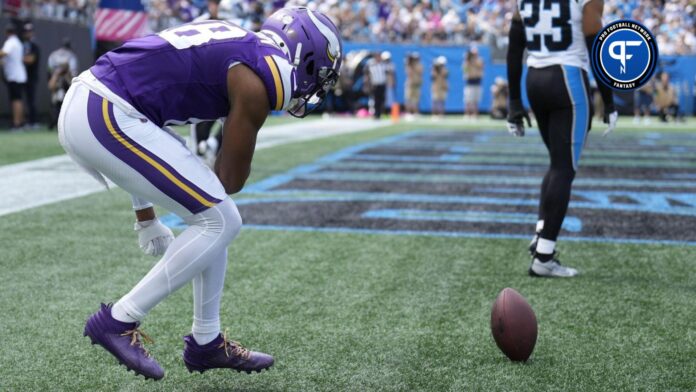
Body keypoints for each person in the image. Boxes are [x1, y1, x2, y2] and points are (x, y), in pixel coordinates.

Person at [59, 8, 342, 380]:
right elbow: (231, 180)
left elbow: (144, 97)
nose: (314, 85)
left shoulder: (233, 38)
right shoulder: (265, 72)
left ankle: (206, 341)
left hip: (96, 104)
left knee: (213, 213)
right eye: (319, 73)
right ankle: (119, 319)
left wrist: (145, 214)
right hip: (105, 112)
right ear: (305, 54)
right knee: (222, 217)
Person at [506, 0, 617, 277]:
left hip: (535, 79)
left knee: (556, 164)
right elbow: (597, 49)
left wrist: (514, 101)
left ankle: (541, 233)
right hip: (567, 80)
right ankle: (544, 256)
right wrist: (609, 102)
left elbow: (513, 47)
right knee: (564, 169)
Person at [0, 24, 27, 130]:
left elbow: (3, 53)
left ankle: (17, 123)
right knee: (18, 99)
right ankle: (20, 121)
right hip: (18, 75)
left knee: (16, 100)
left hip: (14, 76)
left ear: (7, 33)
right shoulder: (17, 42)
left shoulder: (10, 42)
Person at [47, 38, 78, 129]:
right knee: (66, 102)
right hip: (62, 81)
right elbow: (73, 74)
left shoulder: (53, 55)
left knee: (55, 101)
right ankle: (60, 122)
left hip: (57, 79)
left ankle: (54, 123)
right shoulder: (71, 56)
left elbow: (49, 71)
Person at [22, 23, 40, 128]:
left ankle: (34, 122)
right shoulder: (24, 44)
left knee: (31, 100)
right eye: (26, 31)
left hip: (32, 77)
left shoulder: (34, 45)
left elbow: (31, 60)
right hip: (24, 76)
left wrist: (18, 58)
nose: (28, 33)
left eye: (29, 31)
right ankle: (28, 121)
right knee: (26, 100)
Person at [365, 51, 388, 119]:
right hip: (375, 84)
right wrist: (367, 84)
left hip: (382, 83)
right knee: (376, 99)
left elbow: (387, 74)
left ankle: (380, 113)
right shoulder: (371, 64)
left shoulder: (383, 64)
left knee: (382, 99)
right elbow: (367, 75)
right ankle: (376, 114)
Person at [463, 47, 483, 119]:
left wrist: (473, 60)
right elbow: (465, 70)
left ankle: (475, 114)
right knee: (468, 99)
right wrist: (467, 59)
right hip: (469, 82)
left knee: (476, 100)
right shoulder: (467, 61)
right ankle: (467, 114)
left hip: (477, 81)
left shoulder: (479, 60)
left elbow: (480, 66)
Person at [404, 52, 422, 118]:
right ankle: (408, 112)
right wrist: (409, 62)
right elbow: (408, 72)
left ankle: (416, 112)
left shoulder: (419, 65)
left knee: (416, 99)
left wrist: (414, 65)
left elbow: (420, 71)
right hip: (410, 84)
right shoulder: (409, 65)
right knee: (409, 98)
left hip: (417, 84)